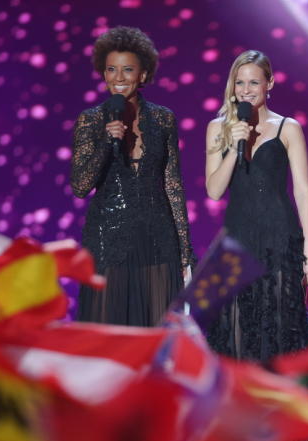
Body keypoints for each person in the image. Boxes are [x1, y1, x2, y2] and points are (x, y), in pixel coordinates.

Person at [203, 50, 308, 441]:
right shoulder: (219, 127)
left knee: (279, 340)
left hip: (279, 242)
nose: (246, 90)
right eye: (240, 83)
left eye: (254, 82)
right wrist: (234, 145)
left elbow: (304, 190)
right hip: (237, 246)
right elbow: (214, 191)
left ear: (269, 84)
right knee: (236, 345)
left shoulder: (288, 128)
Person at [70, 26, 194, 327]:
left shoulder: (163, 119)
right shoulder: (91, 120)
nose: (119, 77)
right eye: (111, 69)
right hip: (108, 238)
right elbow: (80, 186)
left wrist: (185, 253)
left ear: (143, 74)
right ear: (103, 73)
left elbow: (173, 185)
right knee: (110, 334)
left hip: (158, 238)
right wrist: (106, 142)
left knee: (156, 333)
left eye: (127, 69)